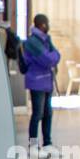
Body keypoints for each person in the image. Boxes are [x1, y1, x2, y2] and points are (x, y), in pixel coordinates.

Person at [23, 13, 61, 151]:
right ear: (43, 24)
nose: (48, 26)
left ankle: (47, 143)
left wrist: (54, 56)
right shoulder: (32, 42)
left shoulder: (46, 39)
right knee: (37, 114)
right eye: (47, 23)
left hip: (47, 81)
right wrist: (53, 57)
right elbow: (48, 59)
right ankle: (33, 145)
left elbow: (57, 54)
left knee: (48, 113)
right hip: (36, 82)